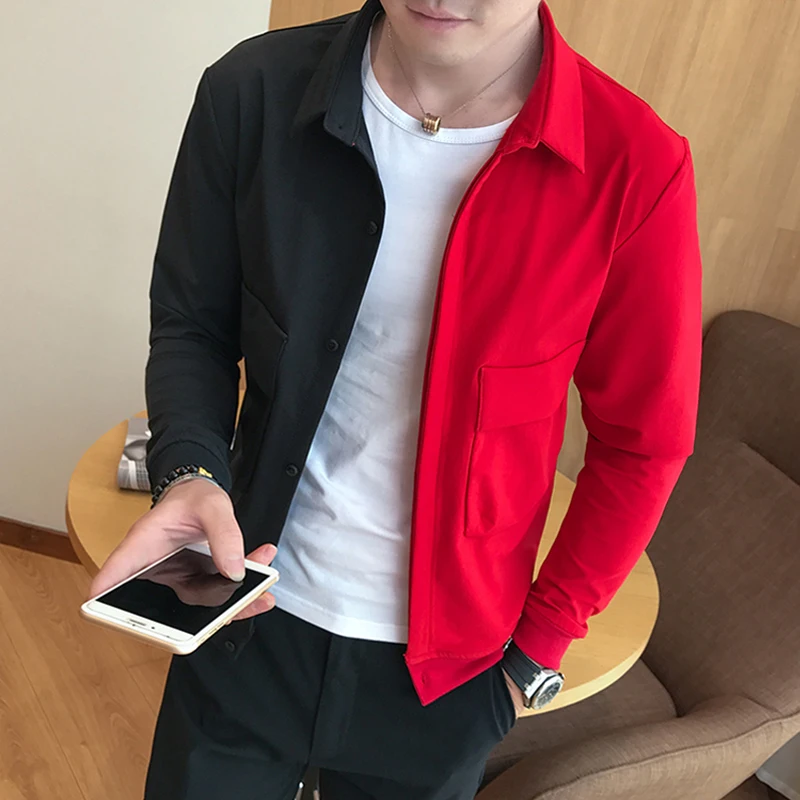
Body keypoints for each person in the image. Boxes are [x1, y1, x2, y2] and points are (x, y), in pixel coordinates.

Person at [89, 0, 703, 797]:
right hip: (243, 618)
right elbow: (192, 324)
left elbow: (644, 442)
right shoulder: (252, 90)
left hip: (447, 680)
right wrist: (189, 472)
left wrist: (538, 650)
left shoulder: (636, 164)